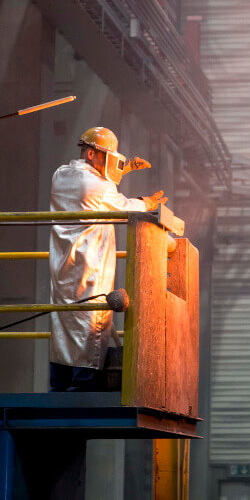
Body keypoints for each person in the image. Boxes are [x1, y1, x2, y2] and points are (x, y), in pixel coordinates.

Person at [48, 127, 167, 391]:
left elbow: (94, 185)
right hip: (89, 270)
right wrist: (146, 202)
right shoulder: (98, 187)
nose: (111, 165)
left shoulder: (61, 175)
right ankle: (81, 388)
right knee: (89, 328)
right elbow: (122, 205)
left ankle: (59, 385)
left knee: (64, 327)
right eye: (107, 158)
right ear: (91, 153)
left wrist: (121, 170)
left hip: (63, 269)